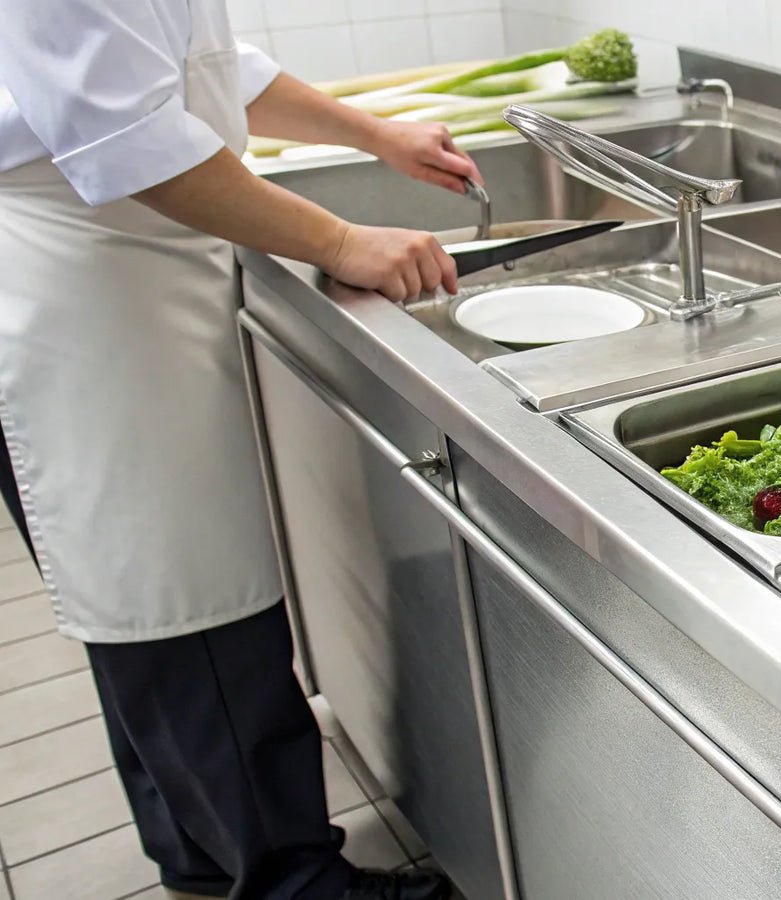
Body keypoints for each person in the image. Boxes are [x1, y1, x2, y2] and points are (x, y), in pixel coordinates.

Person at [0, 2, 477, 898]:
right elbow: (127, 140)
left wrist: (381, 135)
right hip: (82, 283)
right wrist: (340, 239)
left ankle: (199, 851)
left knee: (141, 605)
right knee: (184, 598)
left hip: (129, 263)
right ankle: (295, 885)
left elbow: (206, 69)